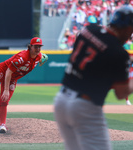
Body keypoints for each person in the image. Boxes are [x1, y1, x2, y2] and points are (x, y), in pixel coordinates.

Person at [54, 5, 133, 150]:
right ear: (127, 28)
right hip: (84, 107)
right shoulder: (118, 52)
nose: (130, 35)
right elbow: (121, 93)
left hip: (61, 101)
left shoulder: (88, 30)